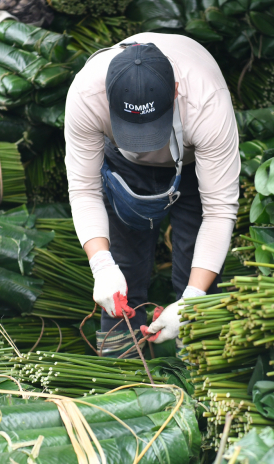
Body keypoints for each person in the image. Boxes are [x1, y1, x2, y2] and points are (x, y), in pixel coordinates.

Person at [64, 33, 239, 349]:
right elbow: (83, 188)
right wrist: (101, 265)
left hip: (192, 165)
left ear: (174, 91)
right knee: (123, 271)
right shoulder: (87, 94)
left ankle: (199, 375)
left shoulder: (207, 101)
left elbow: (219, 211)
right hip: (125, 167)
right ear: (108, 97)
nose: (145, 142)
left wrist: (194, 299)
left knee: (196, 279)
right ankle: (121, 383)